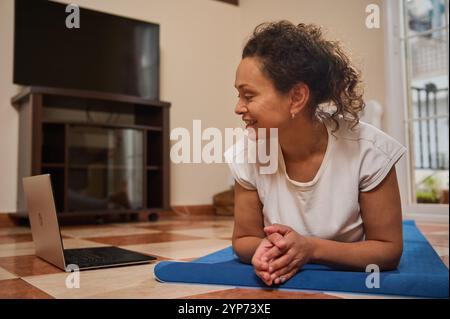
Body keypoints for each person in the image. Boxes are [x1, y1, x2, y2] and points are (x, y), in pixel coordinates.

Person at [224, 21, 406, 286]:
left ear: (297, 97)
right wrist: (270, 250)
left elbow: (387, 250)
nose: (238, 108)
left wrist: (311, 249)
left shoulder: (370, 152)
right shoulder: (246, 155)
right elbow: (243, 240)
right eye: (238, 95)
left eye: (248, 96)